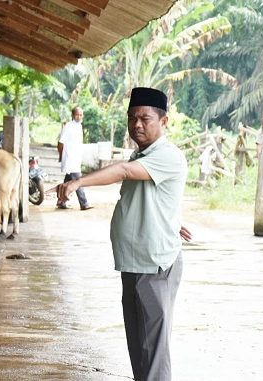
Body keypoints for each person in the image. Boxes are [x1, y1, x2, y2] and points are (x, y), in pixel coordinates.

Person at [51, 87, 192, 381]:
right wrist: (170, 219)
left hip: (155, 265)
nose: (137, 125)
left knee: (153, 353)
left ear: (164, 122)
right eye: (132, 118)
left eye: (145, 118)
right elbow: (150, 195)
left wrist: (78, 184)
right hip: (133, 263)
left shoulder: (167, 155)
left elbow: (126, 172)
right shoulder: (141, 153)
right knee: (138, 348)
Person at [57, 106, 91, 210]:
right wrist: (61, 156)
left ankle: (61, 201)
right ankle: (84, 203)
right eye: (77, 114)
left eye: (81, 115)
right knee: (78, 180)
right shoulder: (68, 126)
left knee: (67, 181)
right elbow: (60, 143)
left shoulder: (79, 127)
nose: (79, 116)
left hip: (76, 159)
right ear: (72, 115)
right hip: (70, 159)